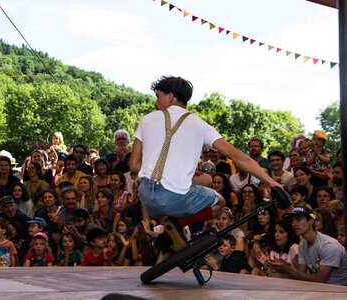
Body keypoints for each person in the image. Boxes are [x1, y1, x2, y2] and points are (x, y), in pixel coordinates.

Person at [130, 76, 281, 253]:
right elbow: (238, 157)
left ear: (170, 96)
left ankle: (171, 229)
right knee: (220, 202)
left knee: (208, 180)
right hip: (173, 198)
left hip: (147, 196)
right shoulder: (200, 124)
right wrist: (273, 183)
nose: (156, 102)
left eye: (158, 96)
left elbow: (134, 166)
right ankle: (176, 225)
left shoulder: (147, 119)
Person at [268, 206, 347, 285]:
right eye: (292, 220)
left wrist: (289, 270)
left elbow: (319, 280)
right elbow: (301, 276)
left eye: (298, 219)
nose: (294, 224)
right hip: (320, 289)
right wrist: (280, 268)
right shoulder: (303, 244)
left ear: (311, 221)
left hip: (340, 290)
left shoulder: (329, 246)